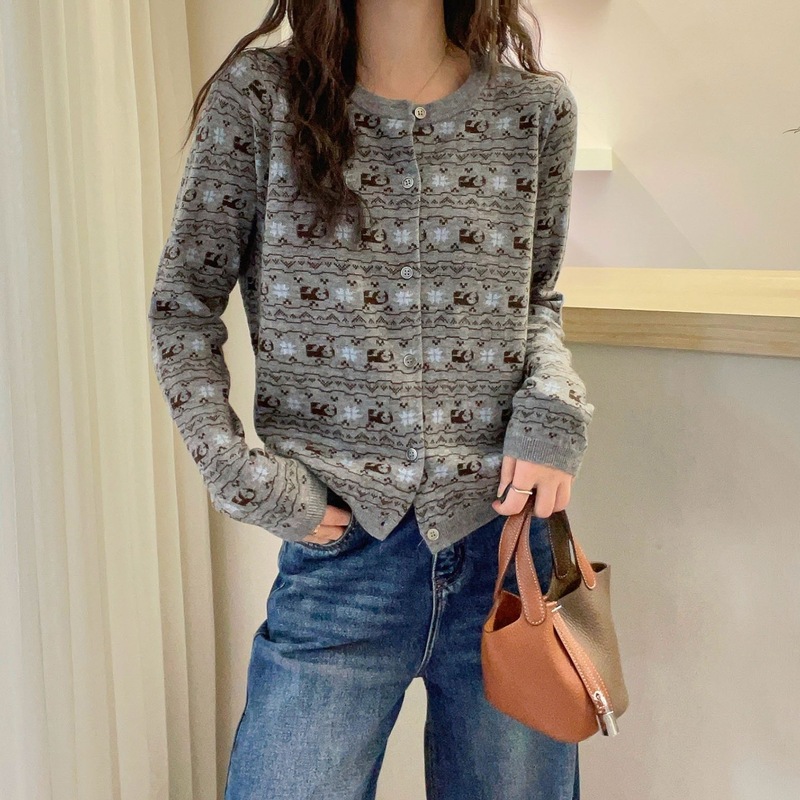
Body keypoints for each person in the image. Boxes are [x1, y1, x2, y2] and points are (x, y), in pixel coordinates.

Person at [148, 1, 595, 797]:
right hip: (341, 567)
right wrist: (238, 474)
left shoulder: (535, 110)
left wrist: (553, 409)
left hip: (504, 557)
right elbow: (182, 305)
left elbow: (536, 302)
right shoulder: (260, 99)